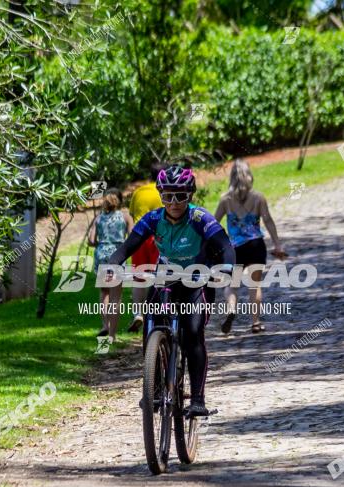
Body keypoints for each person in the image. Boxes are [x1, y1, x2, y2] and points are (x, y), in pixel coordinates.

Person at [106, 165, 235, 417]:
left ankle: (197, 399)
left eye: (181, 196)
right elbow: (127, 247)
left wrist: (227, 268)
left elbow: (224, 245)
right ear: (161, 196)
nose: (174, 202)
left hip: (198, 279)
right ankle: (153, 389)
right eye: (167, 196)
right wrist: (113, 263)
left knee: (194, 332)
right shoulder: (153, 219)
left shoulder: (200, 218)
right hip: (166, 276)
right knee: (150, 322)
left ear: (190, 195)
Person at [214, 159, 286, 334]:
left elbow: (214, 223)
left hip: (236, 249)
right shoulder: (258, 198)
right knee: (255, 285)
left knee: (232, 285)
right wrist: (277, 244)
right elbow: (268, 220)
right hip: (256, 245)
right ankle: (255, 322)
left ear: (231, 178)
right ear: (250, 176)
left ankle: (231, 309)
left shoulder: (225, 199)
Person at [88, 188, 133, 343]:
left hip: (101, 256)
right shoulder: (125, 217)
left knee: (104, 293)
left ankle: (104, 324)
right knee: (115, 297)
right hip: (117, 256)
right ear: (120, 200)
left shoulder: (98, 218)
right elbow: (132, 237)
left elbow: (91, 240)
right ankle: (112, 336)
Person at [126, 163, 165, 333]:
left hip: (139, 236)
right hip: (158, 237)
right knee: (161, 275)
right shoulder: (163, 193)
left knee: (139, 278)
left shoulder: (138, 192)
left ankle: (138, 313)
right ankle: (162, 309)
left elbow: (132, 215)